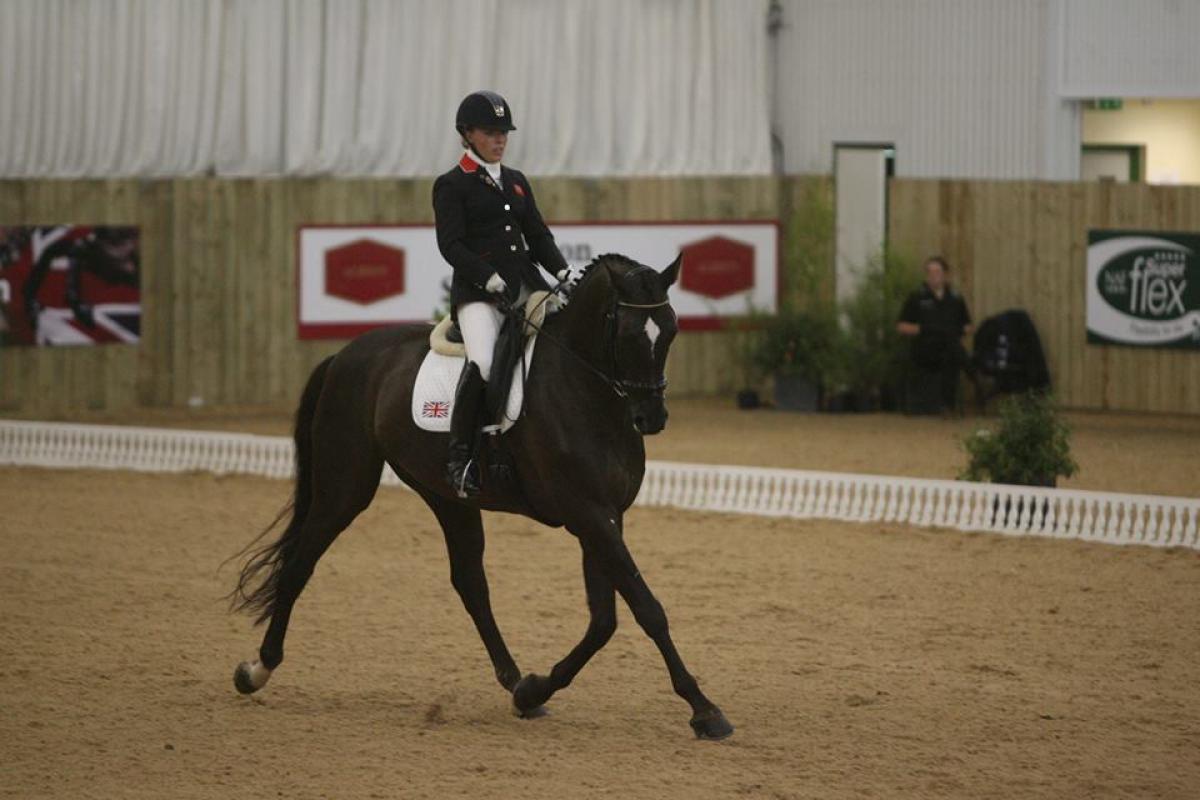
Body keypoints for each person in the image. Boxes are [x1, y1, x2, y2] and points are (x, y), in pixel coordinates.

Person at [432, 90, 570, 498]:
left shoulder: (516, 182)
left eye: (504, 132)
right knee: (486, 362)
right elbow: (451, 245)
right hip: (478, 294)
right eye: (491, 132)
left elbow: (537, 235)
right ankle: (460, 459)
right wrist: (487, 276)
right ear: (468, 134)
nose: (500, 139)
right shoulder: (451, 185)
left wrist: (561, 269)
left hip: (526, 284)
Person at [896, 256, 973, 413]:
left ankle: (947, 406)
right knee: (955, 353)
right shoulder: (917, 297)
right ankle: (970, 370)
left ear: (945, 274)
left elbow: (968, 325)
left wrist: (961, 330)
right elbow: (901, 326)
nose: (933, 275)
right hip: (925, 347)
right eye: (930, 272)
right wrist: (922, 329)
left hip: (949, 345)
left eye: (937, 272)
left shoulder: (956, 299)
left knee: (951, 353)